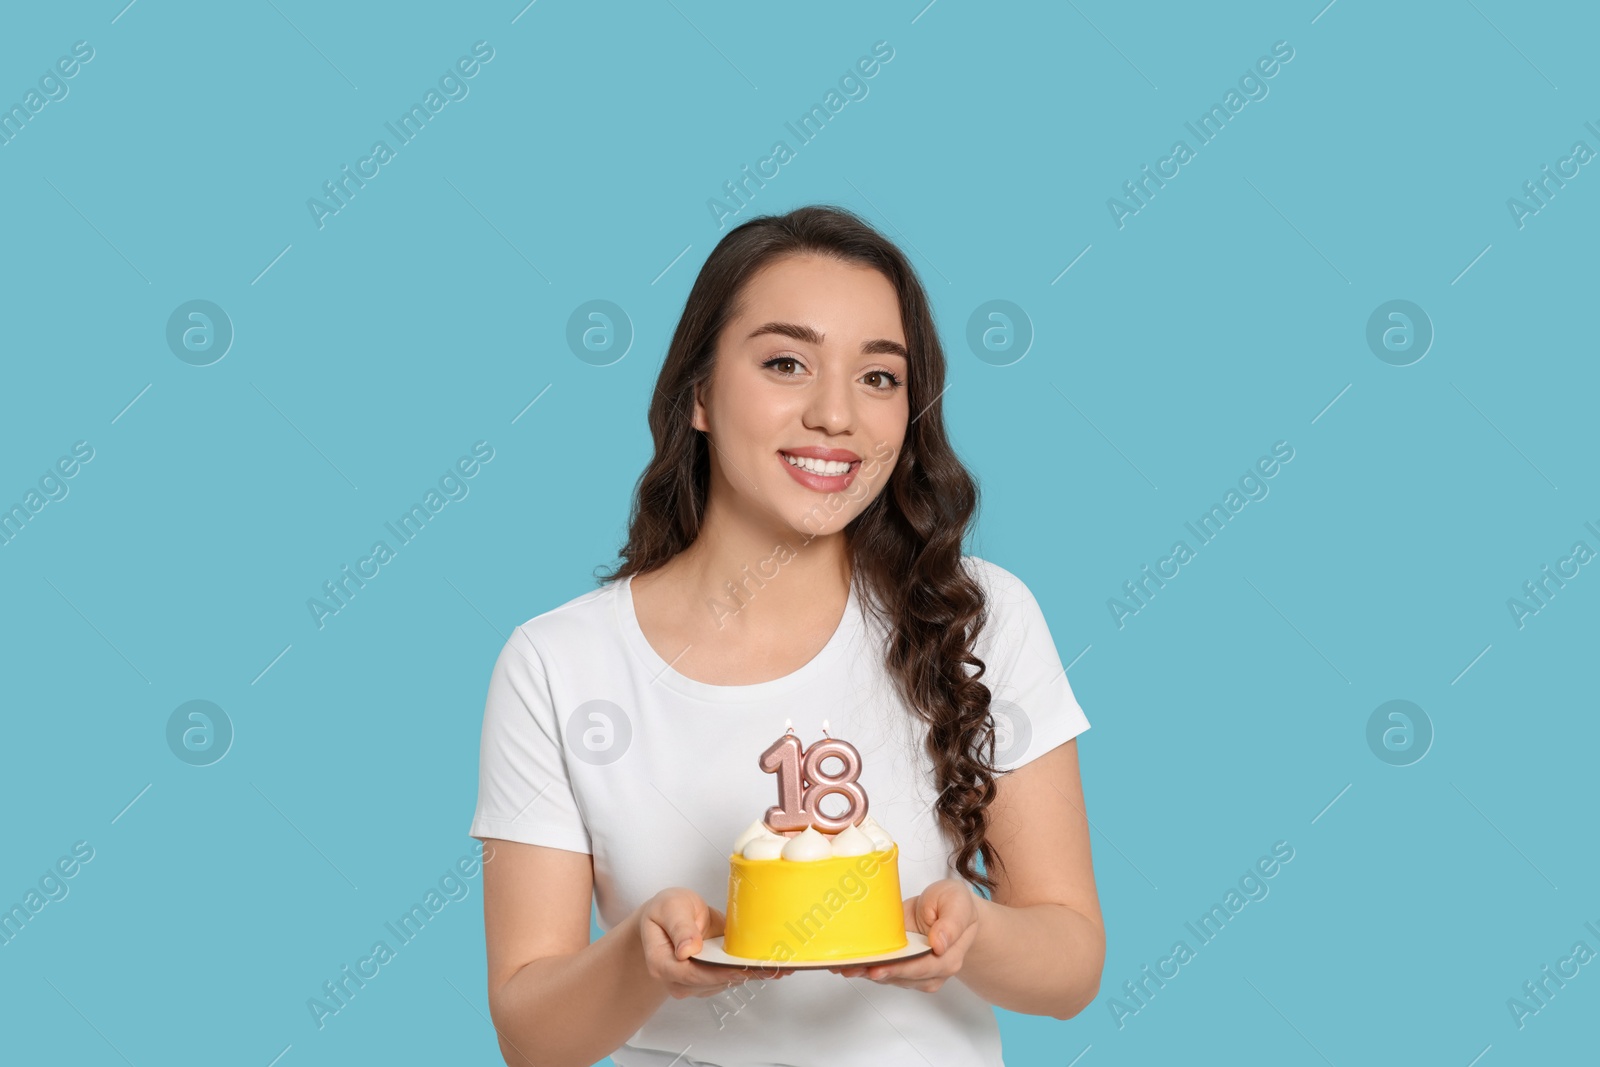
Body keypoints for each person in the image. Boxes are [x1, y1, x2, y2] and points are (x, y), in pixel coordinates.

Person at [469, 205, 1103, 1067]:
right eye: (785, 363)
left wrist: (974, 935)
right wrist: (640, 956)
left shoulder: (979, 616)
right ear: (698, 394)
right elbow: (531, 1036)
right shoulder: (558, 663)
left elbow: (1071, 969)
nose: (836, 415)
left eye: (879, 378)